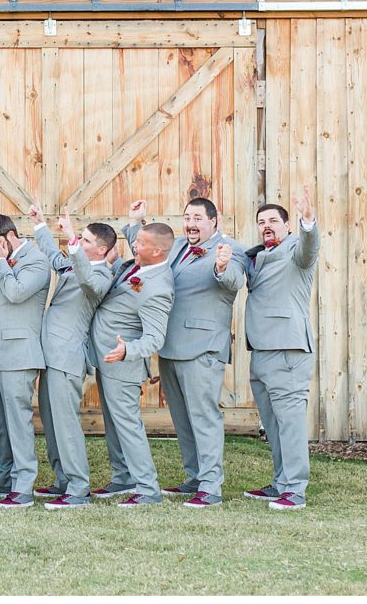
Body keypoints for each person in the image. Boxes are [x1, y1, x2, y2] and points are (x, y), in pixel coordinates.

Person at [122, 197, 246, 508]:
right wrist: (137, 223)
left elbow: (234, 279)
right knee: (182, 419)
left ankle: (210, 487)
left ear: (213, 221)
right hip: (170, 346)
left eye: (198, 218)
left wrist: (221, 267)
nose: (190, 223)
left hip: (202, 348)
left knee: (204, 418)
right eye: (187, 217)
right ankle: (194, 476)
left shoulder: (228, 249)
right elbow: (149, 249)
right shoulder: (176, 246)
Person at [31, 206, 115, 509]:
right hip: (49, 355)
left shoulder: (101, 276)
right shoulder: (75, 264)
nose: (78, 241)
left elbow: (87, 279)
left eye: (86, 240)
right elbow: (57, 258)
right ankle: (63, 480)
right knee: (52, 423)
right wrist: (41, 226)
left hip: (67, 357)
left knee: (66, 424)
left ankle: (78, 488)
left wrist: (72, 240)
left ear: (102, 249)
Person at [241, 185, 319, 510]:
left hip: (288, 351)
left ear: (287, 226)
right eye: (261, 222)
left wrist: (308, 220)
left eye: (273, 220)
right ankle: (280, 482)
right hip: (260, 352)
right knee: (272, 424)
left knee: (290, 422)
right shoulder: (256, 256)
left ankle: (295, 491)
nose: (266, 226)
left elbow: (309, 249)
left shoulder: (295, 252)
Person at [89, 222, 175, 507]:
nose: (133, 245)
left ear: (158, 250)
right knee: (114, 423)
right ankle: (123, 476)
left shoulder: (158, 288)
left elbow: (155, 338)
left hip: (122, 363)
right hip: (106, 358)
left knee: (127, 425)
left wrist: (128, 351)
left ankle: (148, 489)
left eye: (139, 242)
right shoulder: (136, 266)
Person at [0, 213, 50, 509]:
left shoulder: (37, 261)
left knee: (18, 421)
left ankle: (23, 485)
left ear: (8, 235)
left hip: (18, 353)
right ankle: (2, 477)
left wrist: (2, 262)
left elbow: (16, 293)